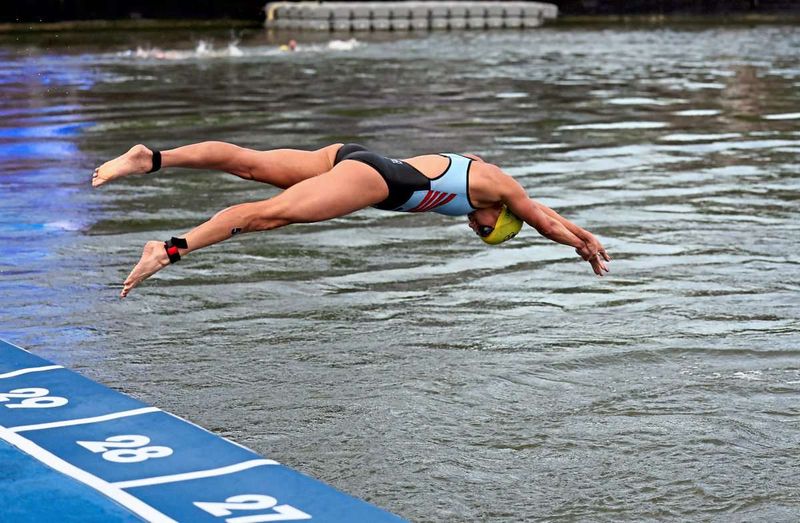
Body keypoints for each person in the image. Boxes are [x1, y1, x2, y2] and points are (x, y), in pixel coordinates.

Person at [92, 142, 610, 298]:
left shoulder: (502, 194)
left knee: (248, 166)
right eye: (484, 229)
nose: (474, 228)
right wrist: (577, 248)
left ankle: (151, 158)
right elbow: (539, 219)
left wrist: (585, 235)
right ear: (498, 215)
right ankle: (168, 249)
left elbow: (540, 210)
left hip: (352, 157)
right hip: (373, 182)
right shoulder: (496, 185)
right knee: (265, 217)